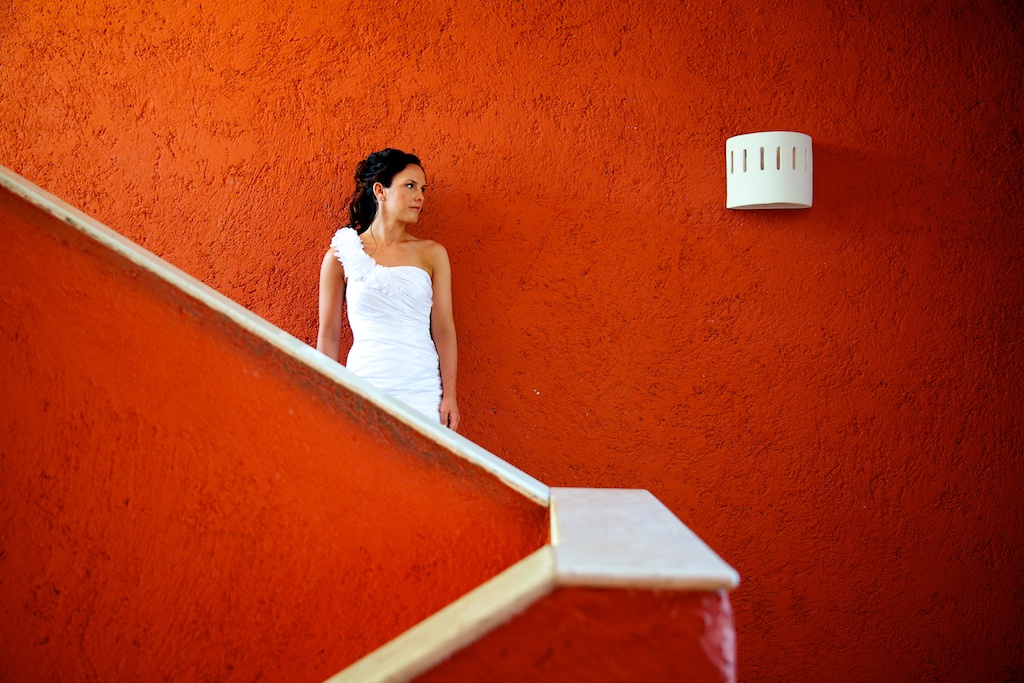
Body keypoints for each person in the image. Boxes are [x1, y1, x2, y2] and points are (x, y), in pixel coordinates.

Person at [317, 149, 460, 430]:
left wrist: (450, 396)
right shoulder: (341, 254)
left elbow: (443, 329)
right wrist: (324, 393)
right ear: (380, 190)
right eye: (410, 186)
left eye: (423, 189)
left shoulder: (432, 254)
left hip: (423, 388)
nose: (420, 196)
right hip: (365, 382)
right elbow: (329, 334)